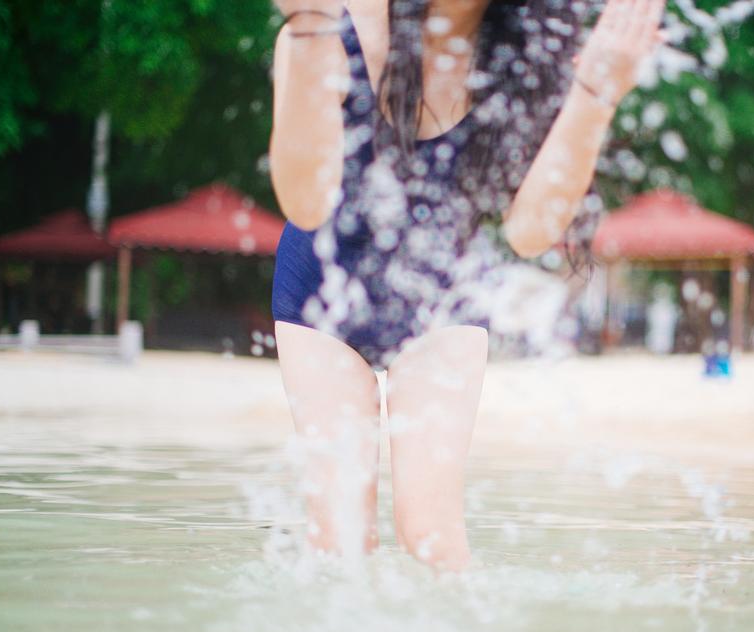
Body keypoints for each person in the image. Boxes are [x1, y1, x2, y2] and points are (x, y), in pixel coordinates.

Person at [268, 0, 666, 571]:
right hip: (321, 287)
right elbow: (304, 201)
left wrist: (596, 92)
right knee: (338, 536)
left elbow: (530, 232)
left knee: (433, 536)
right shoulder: (331, 21)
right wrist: (306, 30)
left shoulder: (521, 58)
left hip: (442, 296)